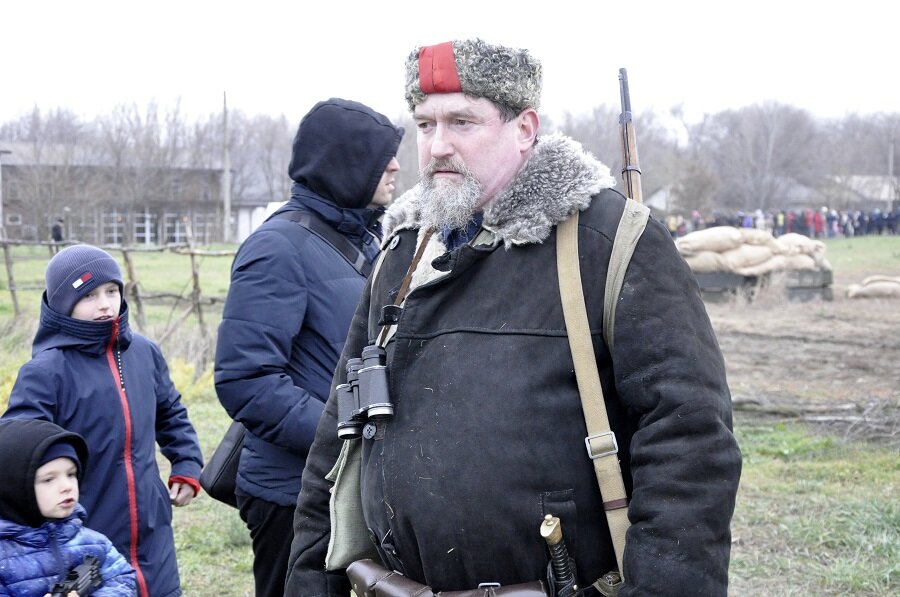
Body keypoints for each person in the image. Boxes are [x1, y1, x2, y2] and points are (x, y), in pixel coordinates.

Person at [285, 38, 742, 596]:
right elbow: (340, 433)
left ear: (524, 129)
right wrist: (310, 581)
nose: (438, 146)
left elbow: (689, 441)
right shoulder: (404, 254)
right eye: (425, 125)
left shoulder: (609, 244)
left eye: (462, 122)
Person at [214, 97, 404, 597]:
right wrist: (342, 435)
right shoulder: (277, 246)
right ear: (341, 163)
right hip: (290, 492)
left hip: (344, 483)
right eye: (379, 155)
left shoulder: (367, 241)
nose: (395, 166)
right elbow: (246, 381)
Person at [3, 244, 204, 597]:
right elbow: (19, 456)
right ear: (63, 304)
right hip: (87, 530)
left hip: (152, 526)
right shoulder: (45, 371)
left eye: (112, 291)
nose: (105, 304)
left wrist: (186, 462)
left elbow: (171, 412)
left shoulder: (144, 353)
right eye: (89, 295)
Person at [0, 418, 136, 596]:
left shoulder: (93, 542)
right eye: (48, 479)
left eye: (71, 474)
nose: (67, 486)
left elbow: (123, 580)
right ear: (13, 487)